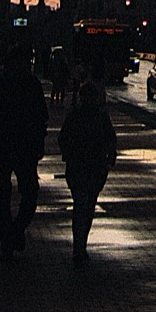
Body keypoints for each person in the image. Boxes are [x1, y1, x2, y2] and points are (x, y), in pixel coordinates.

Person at [0, 44, 48, 259]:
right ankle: (11, 234)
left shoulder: (0, 86)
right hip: (15, 148)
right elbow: (41, 118)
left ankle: (10, 235)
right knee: (17, 195)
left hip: (6, 148)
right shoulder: (27, 86)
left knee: (7, 196)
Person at [58, 80, 118, 263]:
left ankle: (80, 244)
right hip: (88, 167)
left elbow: (63, 138)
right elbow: (110, 139)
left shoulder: (80, 116)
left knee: (84, 205)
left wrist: (68, 154)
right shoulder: (94, 117)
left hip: (86, 166)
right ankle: (80, 245)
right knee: (85, 204)